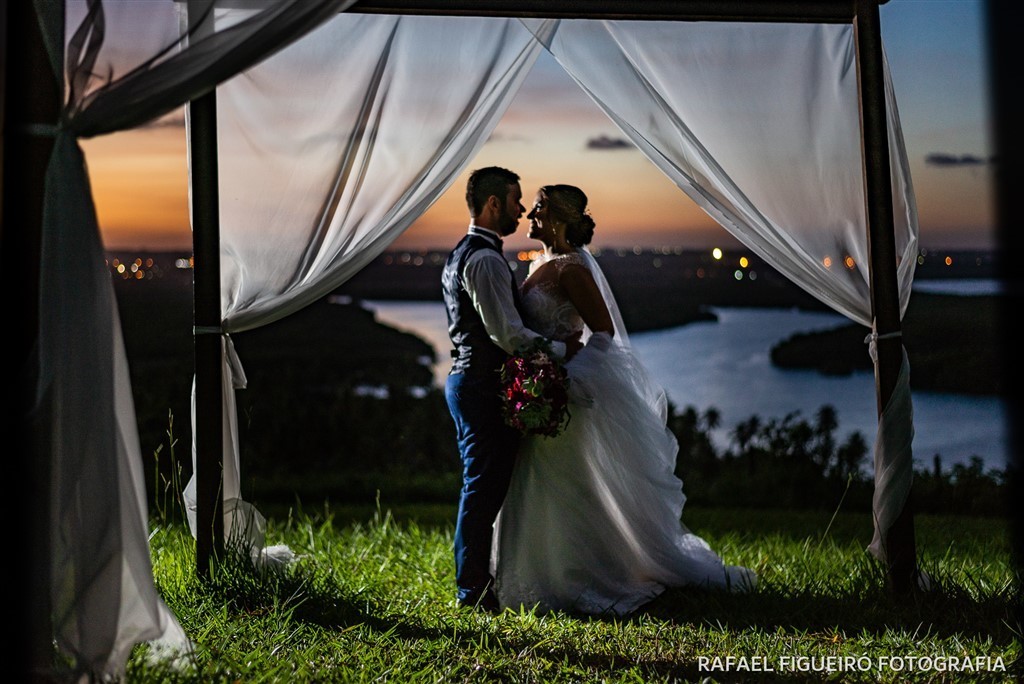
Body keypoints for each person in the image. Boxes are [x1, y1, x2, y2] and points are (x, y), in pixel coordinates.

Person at [492, 184, 757, 616]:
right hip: (541, 387)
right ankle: (535, 573)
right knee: (536, 483)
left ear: (558, 215)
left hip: (565, 393)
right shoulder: (539, 263)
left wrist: (567, 379)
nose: (529, 216)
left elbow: (603, 333)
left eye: (538, 209)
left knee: (571, 487)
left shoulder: (572, 269)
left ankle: (584, 575)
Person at [442, 167, 581, 613]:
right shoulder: (482, 260)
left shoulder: (465, 253)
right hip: (480, 385)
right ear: (493, 204)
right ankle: (473, 593)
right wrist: (562, 349)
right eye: (516, 200)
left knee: (484, 487)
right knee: (482, 490)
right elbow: (507, 335)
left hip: (473, 381)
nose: (522, 210)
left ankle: (479, 584)